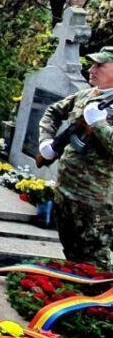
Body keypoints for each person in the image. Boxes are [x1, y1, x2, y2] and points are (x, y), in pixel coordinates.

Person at [38, 45, 113, 268]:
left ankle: (100, 301)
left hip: (96, 201)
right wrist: (46, 141)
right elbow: (52, 111)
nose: (92, 69)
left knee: (97, 261)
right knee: (72, 253)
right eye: (92, 64)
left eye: (100, 65)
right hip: (66, 192)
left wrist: (99, 125)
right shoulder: (87, 95)